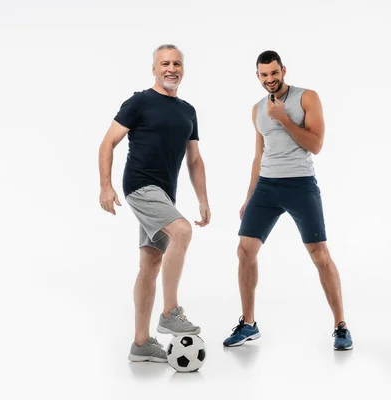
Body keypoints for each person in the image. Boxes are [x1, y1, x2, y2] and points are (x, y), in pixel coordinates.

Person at [222, 50, 353, 350]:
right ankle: (249, 323)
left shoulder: (307, 97)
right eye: (264, 75)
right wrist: (249, 196)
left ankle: (341, 326)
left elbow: (316, 145)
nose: (270, 79)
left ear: (283, 70)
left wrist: (283, 119)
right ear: (258, 76)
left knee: (319, 253)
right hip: (266, 187)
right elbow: (258, 155)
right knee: (244, 250)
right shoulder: (256, 110)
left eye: (274, 73)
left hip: (300, 184)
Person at [98, 44, 211, 363]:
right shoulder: (139, 102)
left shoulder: (188, 111)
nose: (171, 69)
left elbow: (194, 160)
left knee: (150, 264)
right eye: (164, 64)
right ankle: (170, 312)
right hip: (140, 185)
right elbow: (108, 142)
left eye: (176, 63)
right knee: (182, 231)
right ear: (154, 69)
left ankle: (141, 343)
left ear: (183, 69)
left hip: (164, 194)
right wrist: (105, 186)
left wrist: (203, 199)